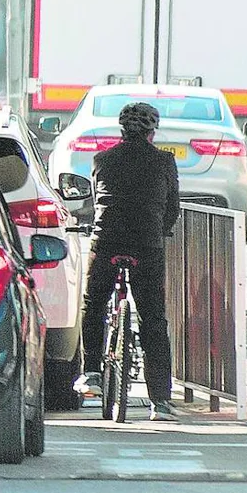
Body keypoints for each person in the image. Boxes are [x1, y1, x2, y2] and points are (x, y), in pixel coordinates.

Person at [74, 101, 181, 422]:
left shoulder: (102, 160)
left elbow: (99, 202)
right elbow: (171, 205)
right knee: (153, 320)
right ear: (152, 133)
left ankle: (91, 371)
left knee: (93, 304)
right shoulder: (164, 162)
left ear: (121, 131)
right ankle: (160, 402)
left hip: (107, 242)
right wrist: (163, 230)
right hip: (146, 244)